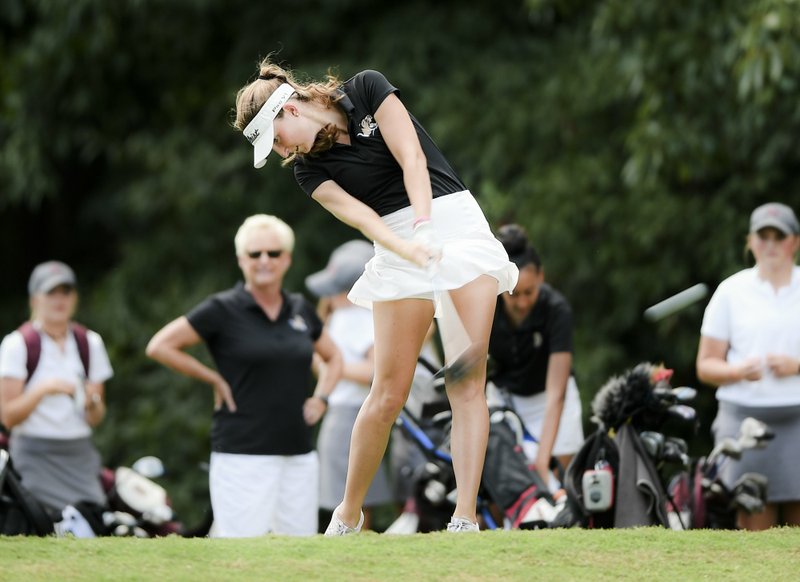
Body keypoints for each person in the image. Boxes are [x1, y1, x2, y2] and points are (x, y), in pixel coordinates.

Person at [233, 61, 518, 534]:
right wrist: (410, 246)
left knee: (466, 380)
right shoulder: (308, 171)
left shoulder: (367, 88)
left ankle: (464, 517)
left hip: (453, 224)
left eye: (277, 139)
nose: (282, 151)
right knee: (388, 394)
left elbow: (413, 159)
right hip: (397, 244)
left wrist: (426, 226)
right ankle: (347, 515)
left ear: (287, 110)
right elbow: (365, 219)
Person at [145, 214, 342, 537]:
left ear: (287, 259)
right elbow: (160, 346)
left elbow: (334, 359)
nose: (265, 260)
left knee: (301, 552)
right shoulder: (222, 309)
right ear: (241, 260)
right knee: (242, 554)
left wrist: (321, 398)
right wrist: (213, 379)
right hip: (242, 454)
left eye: (274, 253)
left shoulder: (299, 309)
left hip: (298, 453)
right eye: (255, 254)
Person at [697, 202, 800, 530]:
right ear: (751, 242)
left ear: (794, 242)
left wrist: (797, 366)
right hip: (745, 423)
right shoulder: (730, 291)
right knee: (756, 529)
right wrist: (736, 371)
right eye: (763, 237)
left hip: (797, 420)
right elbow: (705, 365)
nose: (771, 245)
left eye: (779, 236)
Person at [0, 261, 112, 515]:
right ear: (34, 300)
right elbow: (8, 416)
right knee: (40, 520)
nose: (59, 300)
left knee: (91, 520)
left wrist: (91, 402)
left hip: (79, 454)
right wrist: (44, 389)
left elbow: (95, 418)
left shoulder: (90, 343)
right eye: (51, 293)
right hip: (33, 456)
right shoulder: (18, 344)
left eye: (66, 292)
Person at [306, 239, 394, 531]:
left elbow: (373, 370)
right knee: (350, 496)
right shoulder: (347, 318)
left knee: (349, 498)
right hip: (346, 411)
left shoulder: (354, 318)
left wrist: (334, 368)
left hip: (348, 413)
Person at [487, 224, 584, 488]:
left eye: (529, 293)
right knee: (508, 480)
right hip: (508, 400)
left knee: (565, 479)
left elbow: (557, 393)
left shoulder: (557, 310)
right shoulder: (487, 307)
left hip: (552, 399)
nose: (521, 303)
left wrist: (542, 462)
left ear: (541, 276)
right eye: (513, 295)